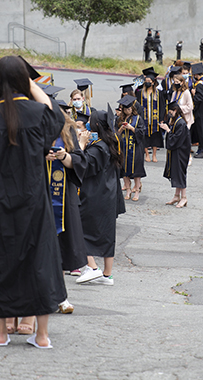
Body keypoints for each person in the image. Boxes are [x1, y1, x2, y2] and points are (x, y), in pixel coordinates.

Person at [0, 55, 66, 348]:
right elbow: (56, 117)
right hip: (35, 202)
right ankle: (42, 336)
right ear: (24, 81)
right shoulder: (38, 114)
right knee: (40, 263)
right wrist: (33, 86)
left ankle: (1, 333)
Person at [76, 106, 125, 286]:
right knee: (107, 234)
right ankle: (107, 275)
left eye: (90, 121)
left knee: (79, 229)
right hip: (108, 194)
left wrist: (81, 145)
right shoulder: (111, 142)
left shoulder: (98, 148)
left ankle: (92, 267)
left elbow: (83, 166)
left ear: (96, 125)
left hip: (95, 195)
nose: (87, 124)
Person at [45, 111, 88, 314]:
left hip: (63, 197)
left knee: (61, 245)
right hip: (38, 195)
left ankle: (60, 296)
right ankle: (43, 296)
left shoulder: (68, 130)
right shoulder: (31, 126)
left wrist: (65, 156)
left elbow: (79, 162)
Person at [160, 101, 190, 208]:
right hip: (176, 152)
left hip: (181, 153)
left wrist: (168, 130)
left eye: (170, 111)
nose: (169, 113)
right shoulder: (175, 121)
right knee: (176, 173)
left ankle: (184, 197)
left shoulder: (181, 123)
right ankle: (177, 196)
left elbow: (176, 139)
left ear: (175, 111)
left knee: (180, 174)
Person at [116, 95, 146, 201]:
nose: (128, 111)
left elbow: (142, 133)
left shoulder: (138, 119)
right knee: (124, 171)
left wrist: (132, 128)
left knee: (136, 171)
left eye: (129, 109)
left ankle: (137, 191)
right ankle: (128, 190)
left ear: (132, 109)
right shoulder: (120, 119)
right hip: (124, 149)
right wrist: (121, 129)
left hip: (135, 149)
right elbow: (115, 134)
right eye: (125, 109)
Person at [137, 68, 164, 162]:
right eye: (146, 81)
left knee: (155, 137)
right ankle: (147, 154)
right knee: (144, 136)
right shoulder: (140, 93)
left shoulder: (158, 93)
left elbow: (162, 106)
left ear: (153, 82)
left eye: (149, 81)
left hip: (155, 119)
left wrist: (161, 118)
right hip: (144, 118)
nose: (147, 82)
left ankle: (154, 155)